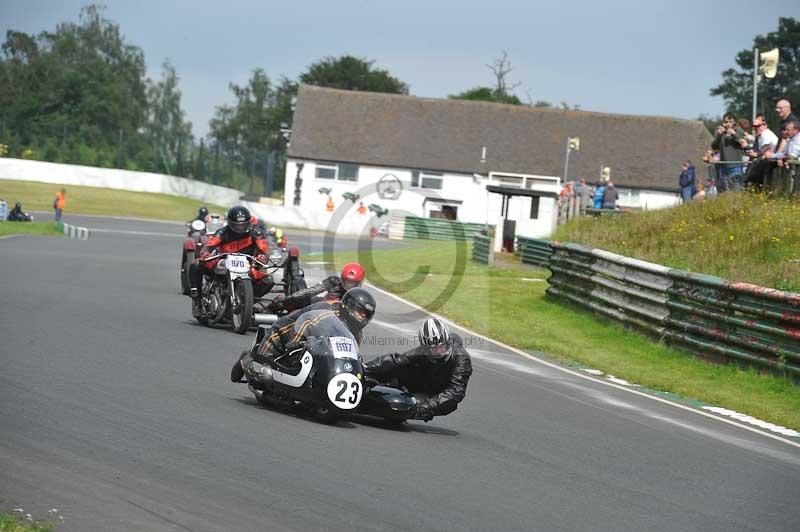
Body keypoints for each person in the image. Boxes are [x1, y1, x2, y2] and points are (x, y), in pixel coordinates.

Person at [231, 287, 376, 384]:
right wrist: (295, 342)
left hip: (312, 344)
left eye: (366, 315)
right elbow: (306, 322)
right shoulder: (328, 311)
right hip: (284, 334)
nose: (361, 317)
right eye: (359, 311)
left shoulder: (356, 331)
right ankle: (246, 359)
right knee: (263, 378)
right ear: (348, 305)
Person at [364, 317, 472, 421]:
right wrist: (366, 368)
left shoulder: (461, 358)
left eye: (441, 346)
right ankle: (375, 383)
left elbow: (456, 392)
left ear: (447, 341)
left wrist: (427, 406)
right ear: (426, 347)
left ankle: (414, 405)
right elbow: (398, 360)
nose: (438, 350)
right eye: (434, 348)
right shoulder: (424, 351)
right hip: (425, 381)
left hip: (439, 396)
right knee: (400, 366)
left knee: (409, 407)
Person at [188, 205, 271, 316]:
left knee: (268, 280)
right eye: (237, 225)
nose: (240, 228)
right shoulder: (222, 232)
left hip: (248, 265)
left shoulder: (257, 233)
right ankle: (197, 300)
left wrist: (263, 257)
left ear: (249, 223)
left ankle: (248, 301)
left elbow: (264, 251)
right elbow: (208, 247)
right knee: (196, 264)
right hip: (224, 262)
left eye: (243, 225)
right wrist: (204, 254)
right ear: (230, 223)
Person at [267, 262, 365, 314]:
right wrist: (291, 298)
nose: (349, 285)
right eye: (347, 281)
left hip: (339, 317)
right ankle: (271, 308)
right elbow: (313, 290)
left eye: (353, 283)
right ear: (342, 278)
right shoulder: (333, 281)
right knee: (298, 301)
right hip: (321, 307)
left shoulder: (360, 296)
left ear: (359, 283)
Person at [711, 112, 746, 192]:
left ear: (734, 122)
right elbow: (714, 146)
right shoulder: (720, 131)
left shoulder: (738, 130)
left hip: (736, 165)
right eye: (726, 122)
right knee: (727, 191)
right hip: (724, 166)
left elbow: (743, 142)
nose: (728, 124)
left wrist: (734, 134)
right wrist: (719, 136)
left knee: (737, 190)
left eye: (731, 122)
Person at [744, 115, 779, 190]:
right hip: (772, 161)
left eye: (758, 126)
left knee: (754, 177)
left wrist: (756, 154)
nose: (756, 128)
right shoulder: (761, 135)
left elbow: (766, 147)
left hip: (775, 161)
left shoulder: (765, 133)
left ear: (765, 125)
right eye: (754, 127)